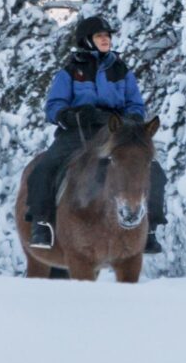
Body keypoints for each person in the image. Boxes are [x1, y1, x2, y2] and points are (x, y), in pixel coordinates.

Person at [25, 14, 161, 252]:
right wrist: (69, 115)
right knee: (45, 166)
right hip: (79, 131)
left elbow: (136, 104)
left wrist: (132, 120)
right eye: (100, 36)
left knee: (153, 168)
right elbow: (54, 105)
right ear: (87, 40)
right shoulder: (70, 71)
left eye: (107, 36)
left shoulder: (121, 71)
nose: (105, 39)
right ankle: (42, 223)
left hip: (116, 132)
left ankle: (150, 228)